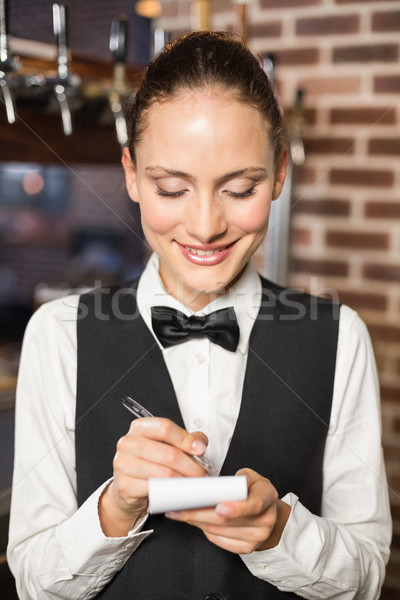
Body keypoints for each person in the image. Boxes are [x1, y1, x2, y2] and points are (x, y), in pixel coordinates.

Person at [7, 31, 391, 600]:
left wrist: (280, 533)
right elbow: (33, 583)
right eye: (171, 189)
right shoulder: (59, 334)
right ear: (132, 176)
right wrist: (115, 508)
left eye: (240, 189)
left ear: (280, 173)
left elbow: (367, 575)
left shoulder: (341, 339)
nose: (206, 225)